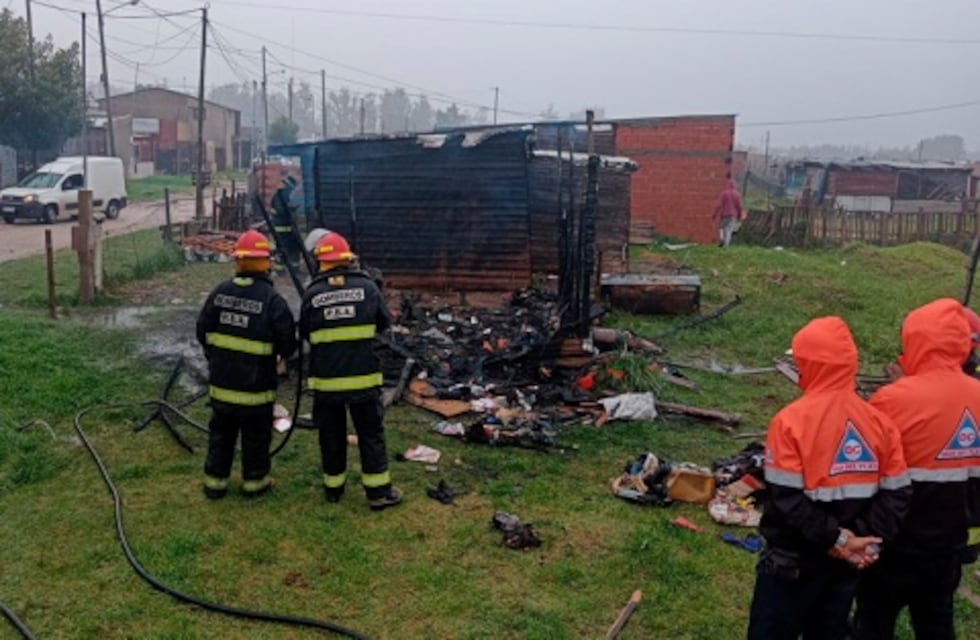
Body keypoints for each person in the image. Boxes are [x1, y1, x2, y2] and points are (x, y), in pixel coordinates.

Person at [747, 316, 911, 640]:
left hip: (791, 565)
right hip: (845, 566)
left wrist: (839, 540)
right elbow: (897, 495)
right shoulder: (880, 423)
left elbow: (787, 500)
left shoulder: (790, 422)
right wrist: (860, 543)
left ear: (808, 363)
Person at [853, 298, 980, 640]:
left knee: (874, 622)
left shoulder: (892, 400)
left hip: (893, 545)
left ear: (916, 340)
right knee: (937, 622)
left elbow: (864, 471)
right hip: (949, 547)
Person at [299, 231, 402, 511]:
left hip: (327, 384)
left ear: (321, 261)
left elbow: (306, 333)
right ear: (347, 259)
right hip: (363, 381)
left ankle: (334, 490)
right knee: (370, 434)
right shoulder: (368, 289)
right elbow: (383, 325)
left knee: (330, 435)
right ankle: (378, 493)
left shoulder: (312, 293)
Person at [196, 229, 297, 499]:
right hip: (256, 391)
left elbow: (202, 331)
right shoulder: (272, 301)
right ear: (266, 263)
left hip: (222, 387)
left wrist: (214, 357)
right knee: (255, 437)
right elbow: (288, 342)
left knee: (221, 436)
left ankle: (214, 484)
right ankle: (254, 484)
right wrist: (281, 358)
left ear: (237, 261)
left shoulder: (220, 293)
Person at [271, 175, 301, 266]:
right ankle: (280, 270)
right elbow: (281, 210)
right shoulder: (280, 196)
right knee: (283, 249)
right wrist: (291, 210)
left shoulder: (285, 195)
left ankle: (295, 268)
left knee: (295, 248)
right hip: (282, 228)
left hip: (289, 228)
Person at [713, 178, 743, 248]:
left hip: (724, 214)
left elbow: (719, 205)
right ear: (735, 186)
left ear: (728, 185)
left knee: (721, 228)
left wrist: (715, 214)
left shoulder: (724, 193)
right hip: (733, 216)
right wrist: (739, 215)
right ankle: (726, 245)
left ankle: (721, 238)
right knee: (729, 230)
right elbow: (739, 206)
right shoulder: (737, 195)